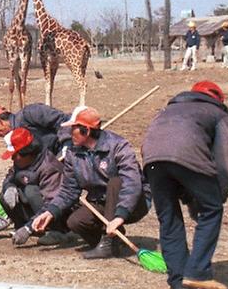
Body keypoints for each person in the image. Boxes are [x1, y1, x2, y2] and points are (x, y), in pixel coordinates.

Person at [141, 81, 228, 289]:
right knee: (212, 210)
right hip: (187, 156)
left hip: (152, 161)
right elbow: (224, 158)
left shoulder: (167, 110)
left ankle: (178, 282)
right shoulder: (219, 113)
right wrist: (217, 197)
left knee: (169, 218)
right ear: (218, 99)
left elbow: (150, 143)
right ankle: (198, 272)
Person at [28, 106, 150, 260]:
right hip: (101, 201)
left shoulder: (118, 146)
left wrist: (120, 216)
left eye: (74, 129)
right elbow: (69, 190)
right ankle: (113, 242)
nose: (69, 133)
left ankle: (108, 243)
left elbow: (132, 184)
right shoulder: (72, 153)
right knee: (75, 222)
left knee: (115, 182)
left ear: (86, 130)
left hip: (133, 203)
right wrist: (50, 211)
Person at [0, 127, 66, 246]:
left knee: (30, 191)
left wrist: (28, 228)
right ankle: (21, 226)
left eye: (15, 155)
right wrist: (9, 186)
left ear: (27, 152)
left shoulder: (49, 167)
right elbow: (10, 176)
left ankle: (55, 231)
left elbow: (52, 202)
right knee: (4, 195)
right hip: (34, 211)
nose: (12, 159)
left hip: (54, 214)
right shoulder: (21, 161)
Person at [0, 103, 71, 155]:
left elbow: (64, 121)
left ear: (0, 122)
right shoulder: (15, 141)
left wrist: (66, 146)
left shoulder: (31, 113)